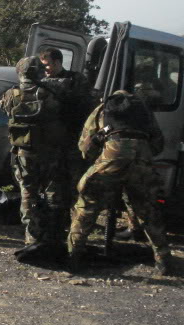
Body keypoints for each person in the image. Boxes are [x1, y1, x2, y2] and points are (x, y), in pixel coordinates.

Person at [68, 90, 174, 275]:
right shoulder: (144, 112)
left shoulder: (102, 110)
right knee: (148, 211)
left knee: (86, 205)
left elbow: (85, 146)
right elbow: (158, 144)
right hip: (142, 161)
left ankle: (73, 257)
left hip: (112, 158)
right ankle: (163, 260)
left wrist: (99, 154)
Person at [0, 56, 68, 260]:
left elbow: (4, 109)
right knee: (52, 194)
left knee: (28, 193)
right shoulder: (50, 93)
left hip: (23, 153)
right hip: (49, 152)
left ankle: (31, 238)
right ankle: (53, 237)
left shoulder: (11, 95)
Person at [38, 48, 95, 222]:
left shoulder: (76, 80)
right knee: (52, 183)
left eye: (47, 65)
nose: (45, 70)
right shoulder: (41, 82)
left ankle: (77, 221)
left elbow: (86, 104)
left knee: (76, 183)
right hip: (51, 142)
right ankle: (56, 220)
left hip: (73, 140)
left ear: (57, 62)